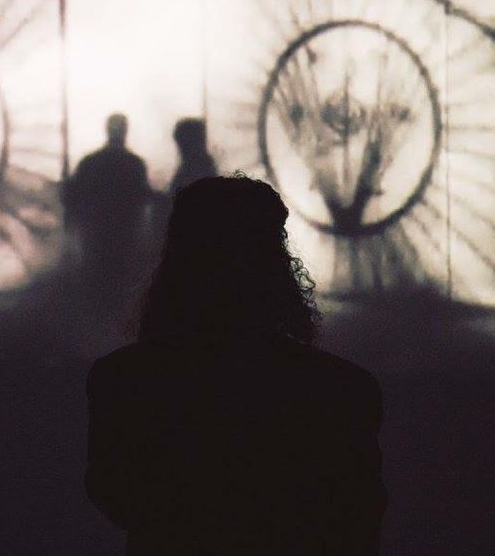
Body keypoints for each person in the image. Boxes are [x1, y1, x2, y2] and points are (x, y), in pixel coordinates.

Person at [85, 175, 386, 554]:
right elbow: (357, 519)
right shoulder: (341, 390)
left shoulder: (122, 382)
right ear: (276, 264)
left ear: (178, 264)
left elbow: (119, 495)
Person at [63, 113, 152, 278]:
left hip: (95, 237)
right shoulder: (134, 164)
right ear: (126, 131)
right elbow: (142, 198)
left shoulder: (89, 162)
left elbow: (72, 198)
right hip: (125, 238)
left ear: (107, 130)